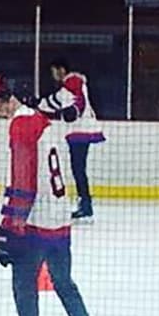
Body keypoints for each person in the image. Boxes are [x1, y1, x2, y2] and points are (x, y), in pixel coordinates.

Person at [0, 73, 105, 316]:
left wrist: (9, 226)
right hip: (59, 221)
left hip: (33, 224)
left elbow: (24, 181)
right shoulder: (41, 120)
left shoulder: (20, 125)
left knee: (24, 287)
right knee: (64, 283)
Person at [41, 55, 106, 222]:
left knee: (78, 169)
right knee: (78, 169)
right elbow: (55, 103)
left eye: (54, 71)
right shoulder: (66, 88)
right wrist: (38, 104)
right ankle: (85, 205)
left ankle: (86, 207)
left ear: (61, 70)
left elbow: (79, 101)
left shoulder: (72, 80)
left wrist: (74, 111)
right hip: (79, 131)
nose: (53, 75)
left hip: (81, 131)